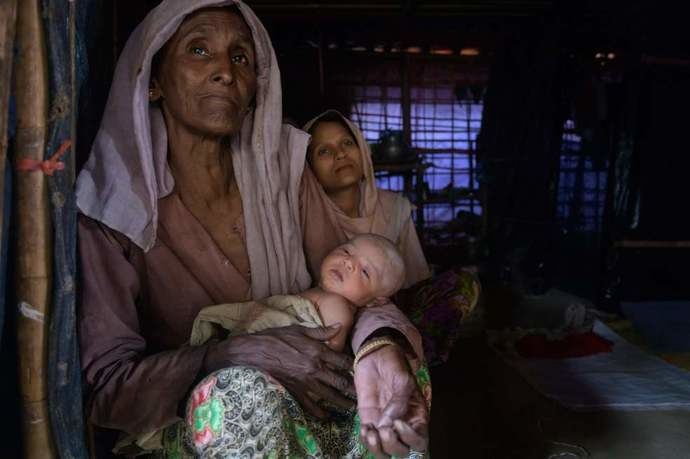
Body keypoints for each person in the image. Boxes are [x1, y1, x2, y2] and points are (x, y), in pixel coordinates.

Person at [76, 1, 428, 457]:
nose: (225, 71)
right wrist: (227, 356)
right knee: (240, 395)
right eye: (199, 50)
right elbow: (106, 388)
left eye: (240, 57)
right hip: (193, 427)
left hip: (315, 399)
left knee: (395, 379)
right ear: (153, 81)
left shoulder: (285, 173)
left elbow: (360, 281)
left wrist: (381, 345)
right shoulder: (115, 208)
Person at [191, 234, 407, 353]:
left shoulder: (338, 306)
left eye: (365, 271)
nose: (348, 263)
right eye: (347, 251)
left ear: (374, 301)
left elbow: (323, 353)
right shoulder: (316, 292)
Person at [300, 110, 432, 288]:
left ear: (362, 150)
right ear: (309, 167)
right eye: (323, 151)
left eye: (347, 143)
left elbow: (415, 280)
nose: (340, 154)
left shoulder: (394, 208)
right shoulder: (302, 217)